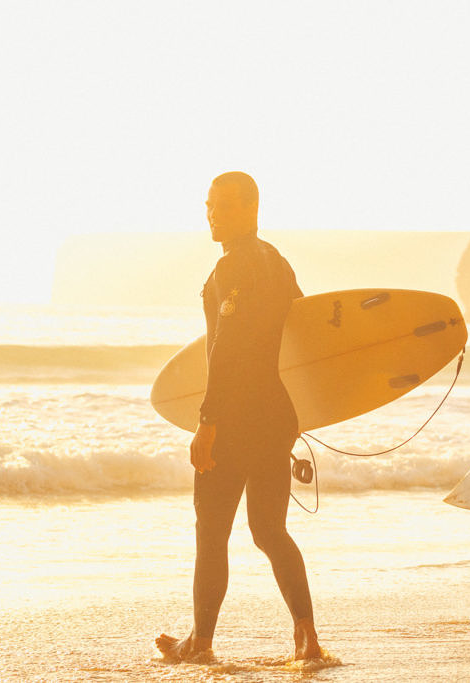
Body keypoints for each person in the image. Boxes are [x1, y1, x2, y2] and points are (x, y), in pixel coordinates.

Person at [156, 172, 322, 662]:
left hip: (234, 419)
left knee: (212, 530)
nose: (211, 213)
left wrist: (208, 422)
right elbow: (302, 332)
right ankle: (307, 637)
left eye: (222, 205)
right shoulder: (276, 262)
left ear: (249, 208)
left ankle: (200, 643)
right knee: (270, 530)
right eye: (208, 204)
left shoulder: (232, 266)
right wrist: (301, 410)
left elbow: (225, 350)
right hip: (276, 417)